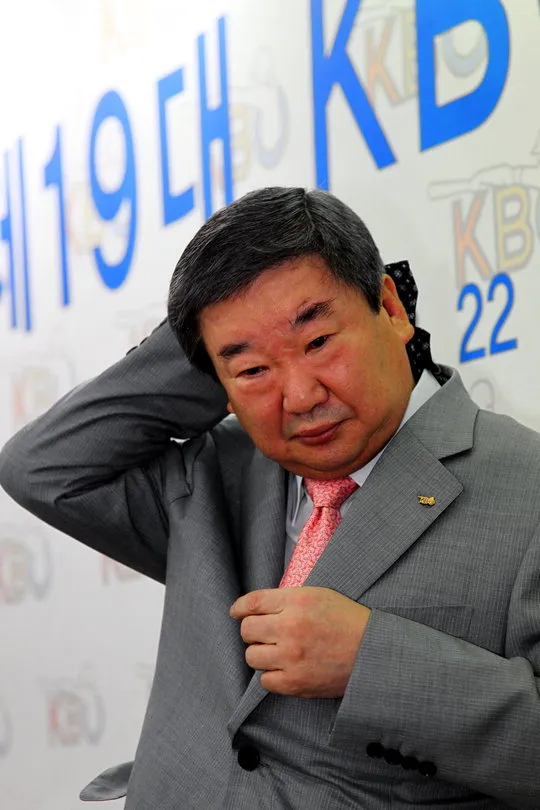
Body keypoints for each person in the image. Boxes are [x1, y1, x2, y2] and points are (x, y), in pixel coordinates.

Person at [1, 187, 539, 810]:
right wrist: (218, 333)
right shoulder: (214, 474)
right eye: (253, 370)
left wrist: (373, 664)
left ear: (392, 308)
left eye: (318, 341)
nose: (301, 396)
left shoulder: (524, 487)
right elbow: (42, 468)